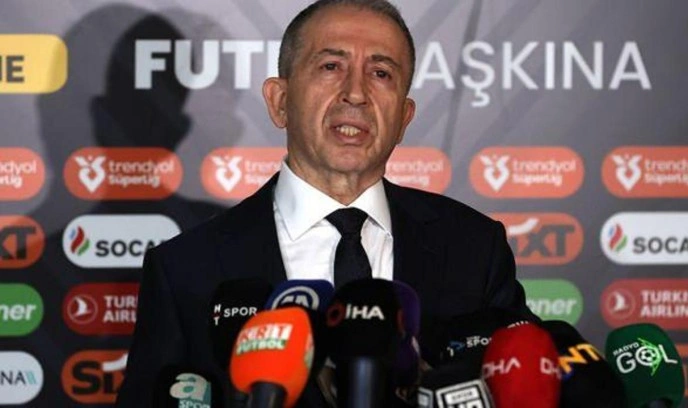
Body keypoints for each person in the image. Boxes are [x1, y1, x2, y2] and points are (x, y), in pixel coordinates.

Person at [117, 0, 535, 406]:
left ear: (404, 118)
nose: (356, 93)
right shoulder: (185, 269)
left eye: (381, 73)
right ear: (280, 101)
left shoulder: (474, 248)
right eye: (331, 66)